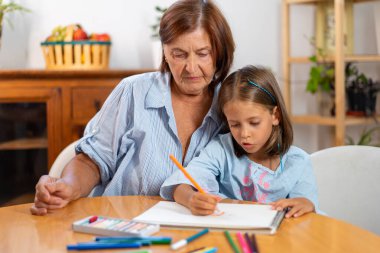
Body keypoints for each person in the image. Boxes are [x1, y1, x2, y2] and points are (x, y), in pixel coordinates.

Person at [30, 0, 235, 215]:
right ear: (164, 51)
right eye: (179, 54)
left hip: (203, 232)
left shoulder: (232, 104)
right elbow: (91, 161)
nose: (191, 68)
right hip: (126, 227)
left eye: (203, 53)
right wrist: (68, 186)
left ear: (219, 52)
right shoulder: (133, 91)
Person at [160, 65, 319, 218]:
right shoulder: (221, 149)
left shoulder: (298, 161)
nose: (244, 134)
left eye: (254, 123)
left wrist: (305, 204)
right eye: (234, 124)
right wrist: (190, 199)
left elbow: (306, 204)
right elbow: (179, 186)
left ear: (275, 116)